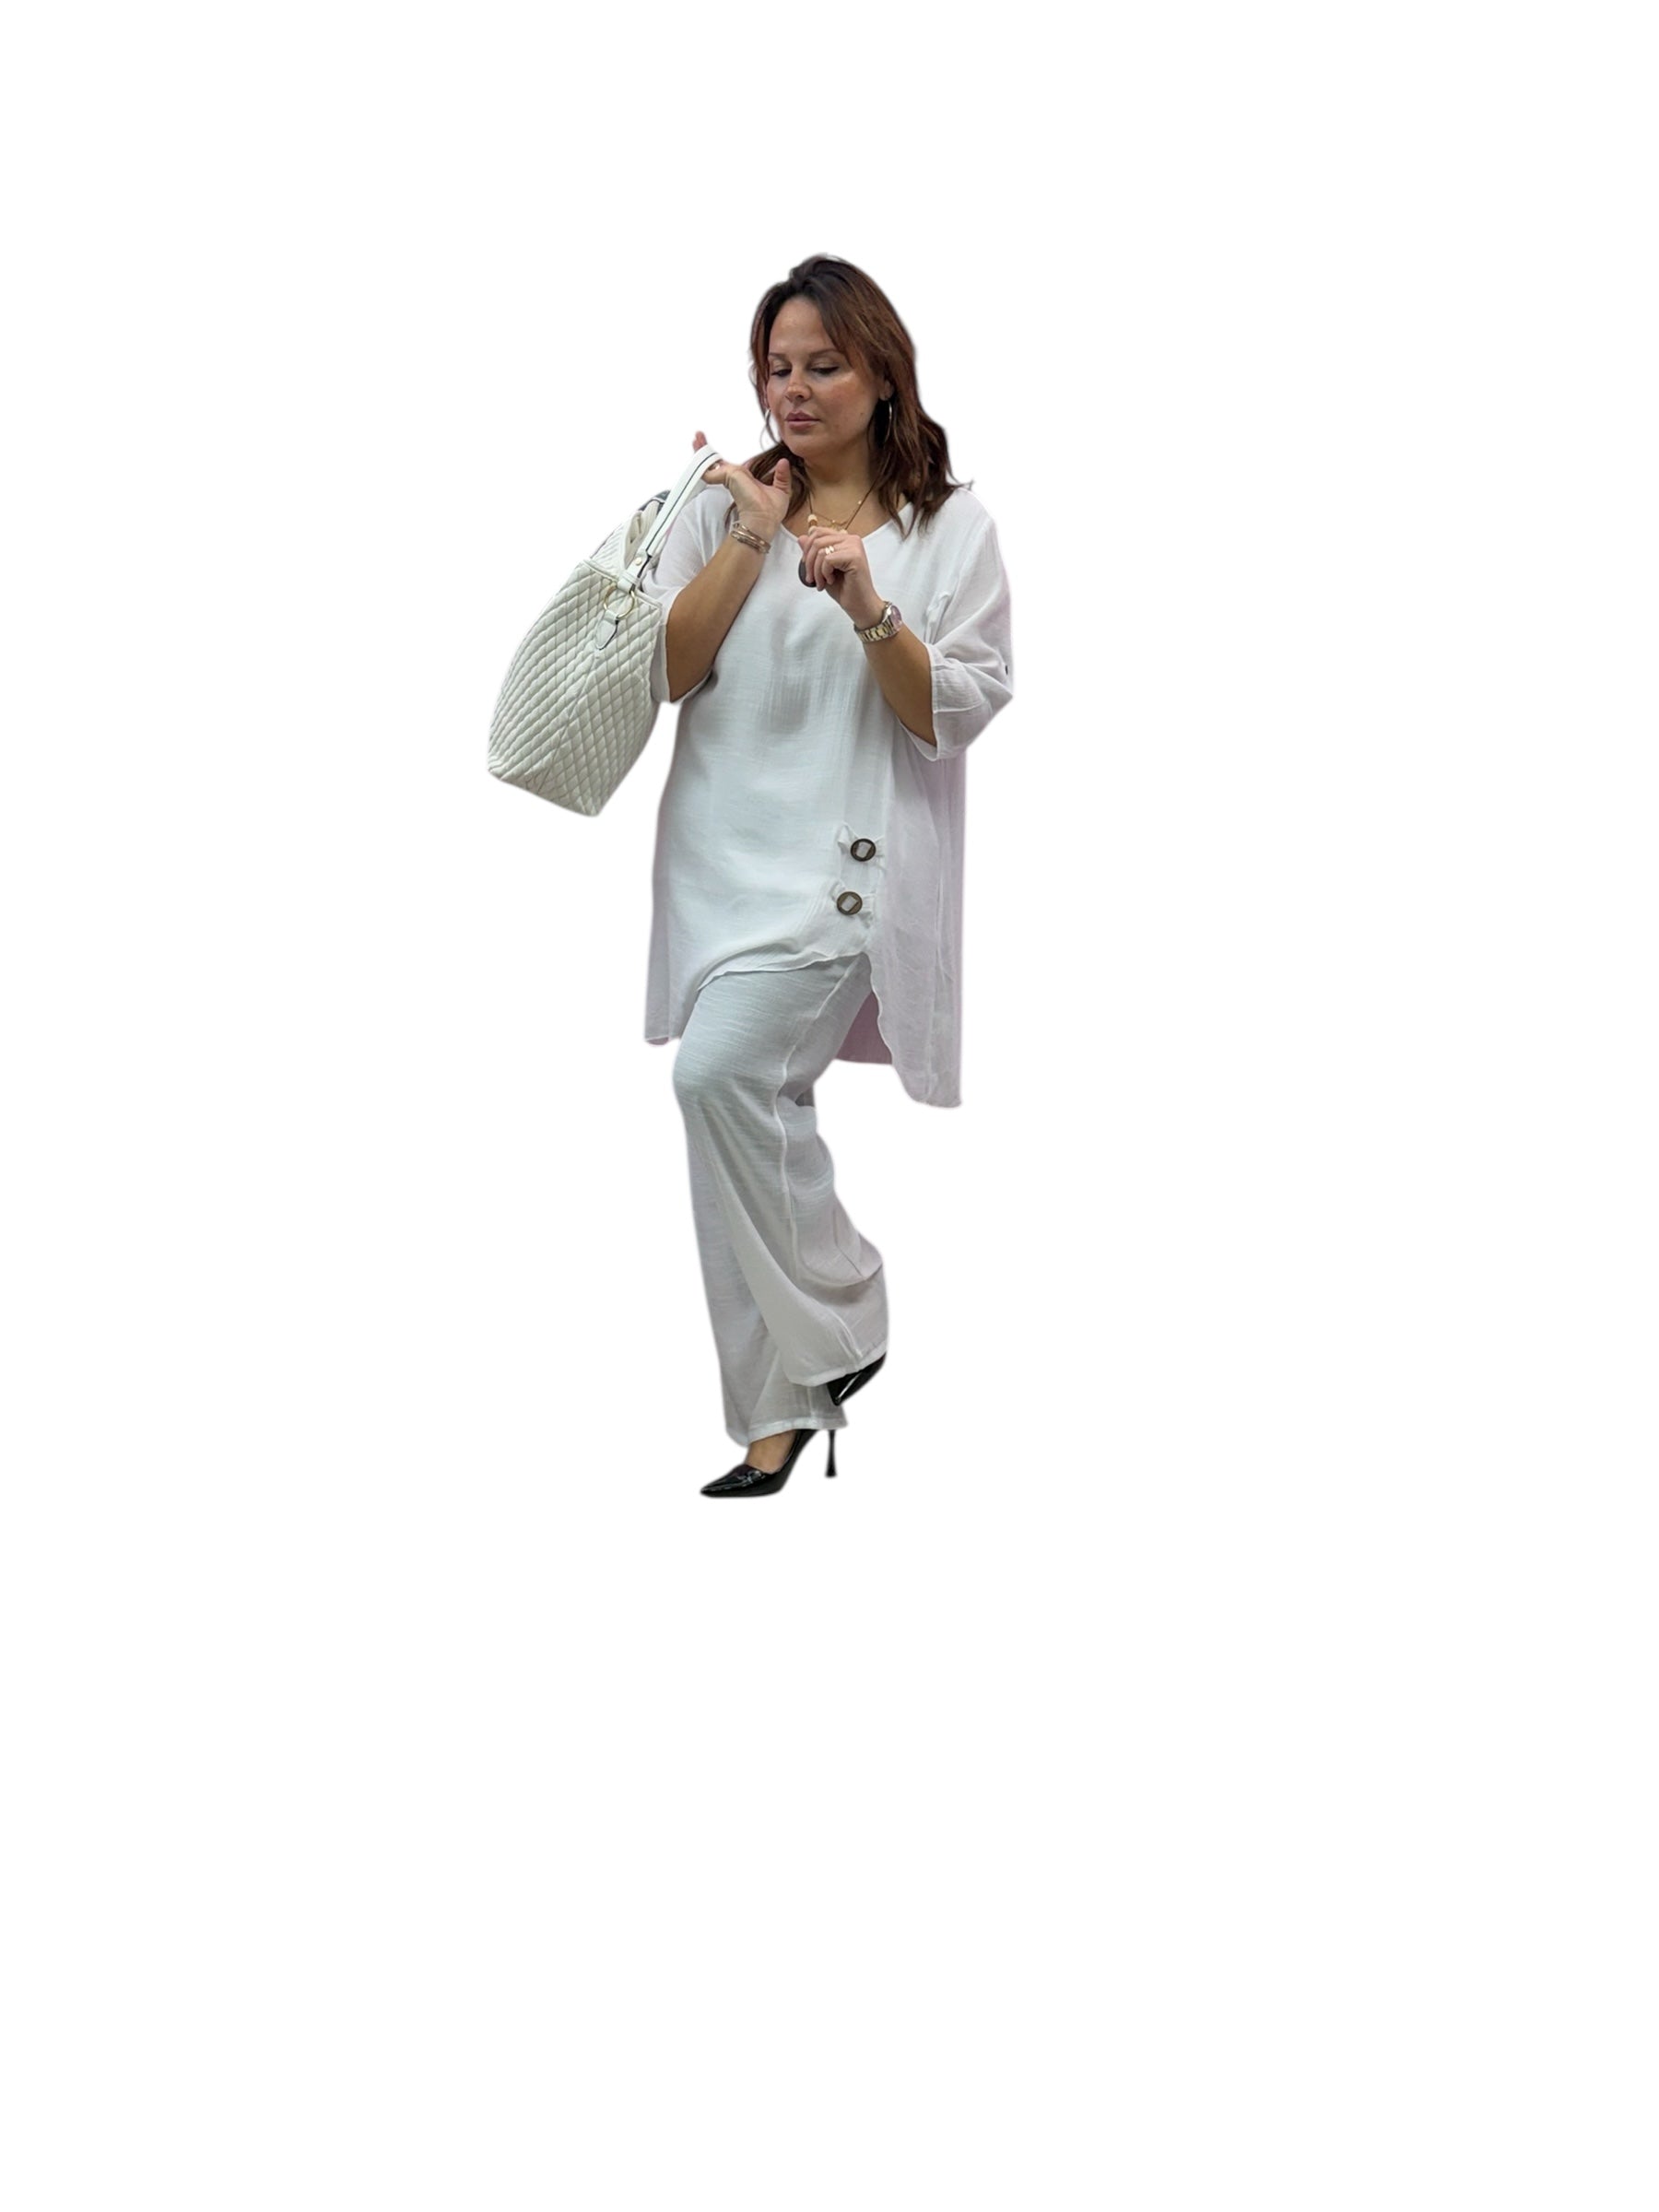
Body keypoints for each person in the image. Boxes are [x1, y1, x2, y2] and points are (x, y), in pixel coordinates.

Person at [640, 254, 1015, 1499]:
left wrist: (867, 602)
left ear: (883, 375)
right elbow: (669, 673)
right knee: (732, 1122)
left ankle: (846, 1310)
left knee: (721, 1078)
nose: (792, 389)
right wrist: (752, 532)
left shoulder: (949, 531)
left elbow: (949, 714)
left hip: (844, 872)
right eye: (777, 367)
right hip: (717, 864)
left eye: (823, 366)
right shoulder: (723, 504)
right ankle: (777, 1412)